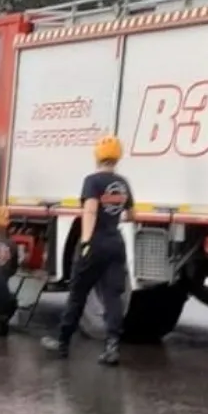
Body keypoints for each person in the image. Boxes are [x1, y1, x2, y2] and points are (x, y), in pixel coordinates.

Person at [42, 133, 134, 366]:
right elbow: (132, 215)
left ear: (97, 155)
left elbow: (90, 211)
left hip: (96, 244)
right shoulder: (123, 184)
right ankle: (112, 347)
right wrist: (115, 217)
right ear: (118, 156)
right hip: (116, 244)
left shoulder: (93, 181)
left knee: (78, 293)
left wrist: (85, 242)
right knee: (113, 296)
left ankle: (62, 343)